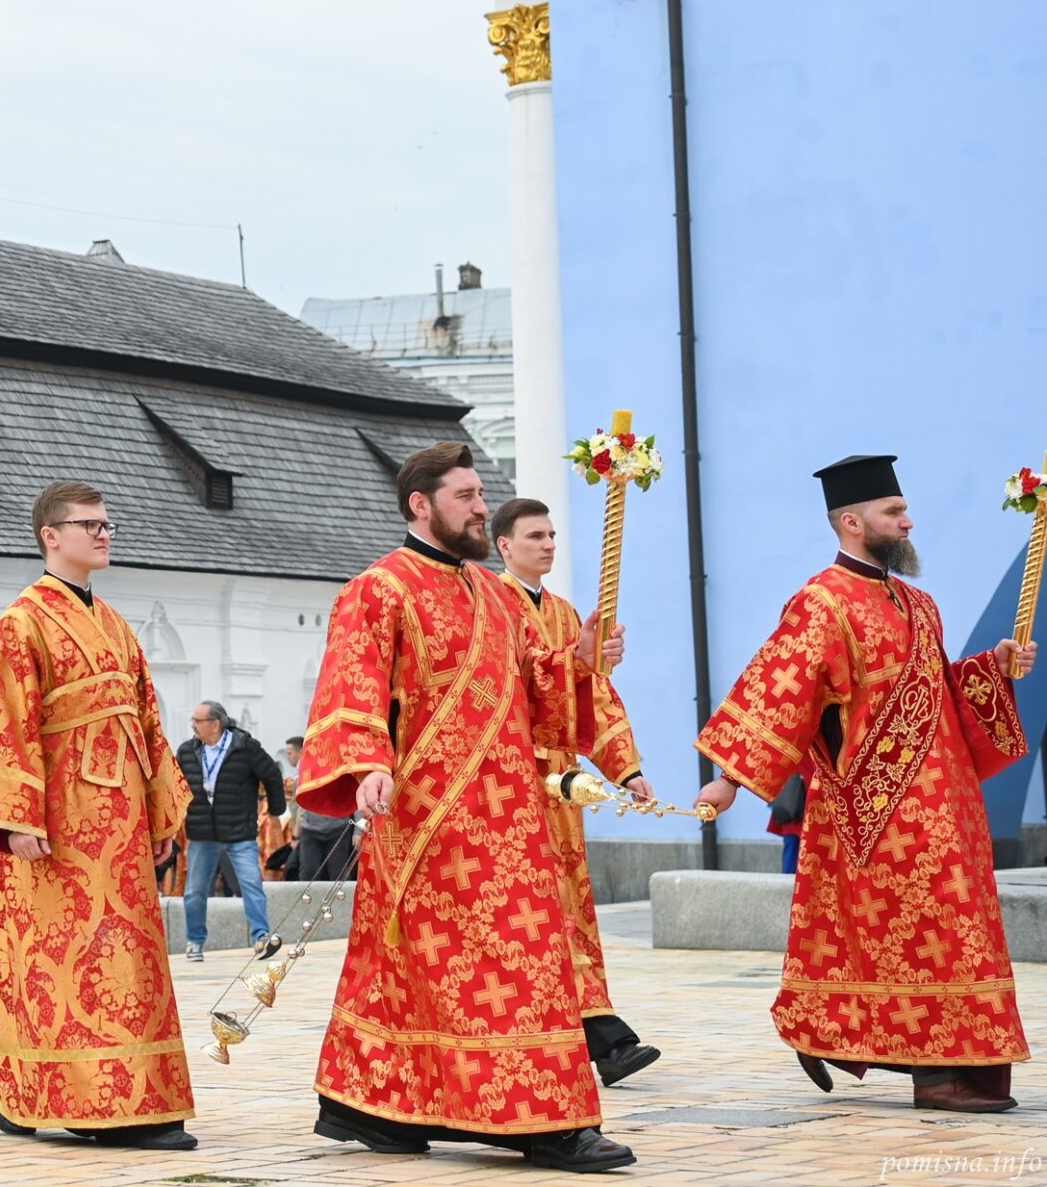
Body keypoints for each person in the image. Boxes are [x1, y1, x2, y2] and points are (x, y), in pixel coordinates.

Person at [298, 441, 632, 1172]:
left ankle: (374, 1106)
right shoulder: (378, 589)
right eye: (467, 496)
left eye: (482, 495)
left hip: (510, 813)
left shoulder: (493, 593)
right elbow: (352, 685)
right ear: (421, 505)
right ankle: (541, 1122)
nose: (483, 508)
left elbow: (535, 689)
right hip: (426, 815)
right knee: (444, 965)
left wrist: (577, 659)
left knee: (498, 958)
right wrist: (367, 764)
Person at [695, 454, 1037, 1114]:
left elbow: (935, 695)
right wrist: (728, 780)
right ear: (852, 522)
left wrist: (991, 666)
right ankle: (934, 1075)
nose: (908, 522)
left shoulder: (919, 603)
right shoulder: (821, 602)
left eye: (904, 510)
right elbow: (780, 693)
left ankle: (868, 1041)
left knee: (957, 932)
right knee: (925, 935)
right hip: (875, 809)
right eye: (893, 512)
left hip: (948, 804)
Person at [0, 481, 195, 1152]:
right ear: (50, 536)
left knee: (129, 960)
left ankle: (134, 1091)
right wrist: (16, 818)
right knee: (62, 963)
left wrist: (160, 814)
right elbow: (8, 724)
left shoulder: (116, 624)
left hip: (122, 826)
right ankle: (82, 1097)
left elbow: (148, 725)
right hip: (58, 825)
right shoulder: (22, 622)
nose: (103, 533)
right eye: (89, 524)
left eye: (108, 523)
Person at [492, 496, 662, 1088]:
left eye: (551, 535)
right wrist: (575, 661)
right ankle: (600, 1036)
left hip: (563, 791)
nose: (547, 545)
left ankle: (597, 1034)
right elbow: (511, 686)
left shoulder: (565, 612)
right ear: (504, 546)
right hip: (511, 786)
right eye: (534, 536)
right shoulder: (491, 605)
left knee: (570, 910)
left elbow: (597, 698)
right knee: (535, 912)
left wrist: (626, 769)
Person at [175, 700, 282, 961]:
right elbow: (175, 786)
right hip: (202, 832)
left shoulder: (245, 747)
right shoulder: (187, 751)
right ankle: (194, 942)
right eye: (193, 720)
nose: (193, 725)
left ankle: (261, 937)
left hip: (239, 831)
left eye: (198, 721)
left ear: (215, 724)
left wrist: (276, 809)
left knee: (251, 883)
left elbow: (271, 775)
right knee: (194, 891)